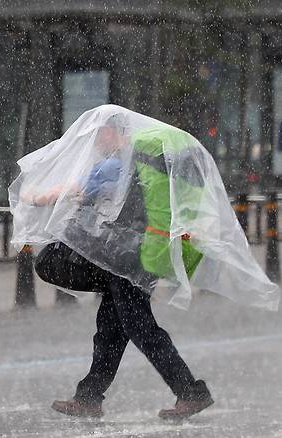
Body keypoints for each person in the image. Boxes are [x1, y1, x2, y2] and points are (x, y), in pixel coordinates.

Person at [31, 113, 214, 420]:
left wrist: (39, 196)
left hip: (131, 257)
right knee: (112, 330)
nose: (96, 141)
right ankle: (89, 397)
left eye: (99, 134)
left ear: (112, 132)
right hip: (139, 254)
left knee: (139, 328)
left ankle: (190, 391)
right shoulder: (139, 162)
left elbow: (79, 190)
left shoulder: (121, 163)